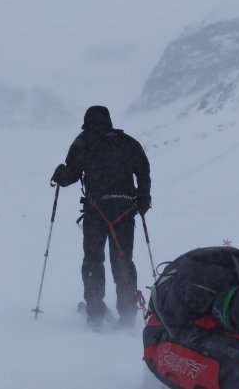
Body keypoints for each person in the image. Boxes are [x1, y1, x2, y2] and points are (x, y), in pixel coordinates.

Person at [51, 105, 151, 330]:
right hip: (125, 211)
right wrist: (143, 200)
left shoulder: (83, 141)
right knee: (123, 260)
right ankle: (126, 316)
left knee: (94, 260)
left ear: (87, 122)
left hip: (96, 212)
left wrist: (60, 175)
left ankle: (95, 314)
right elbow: (143, 170)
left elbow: (71, 175)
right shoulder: (127, 142)